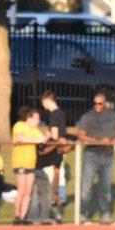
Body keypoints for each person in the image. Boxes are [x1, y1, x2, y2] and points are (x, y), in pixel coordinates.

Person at [75, 92, 115, 224]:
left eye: (100, 103)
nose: (97, 106)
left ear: (105, 103)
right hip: (92, 155)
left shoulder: (112, 116)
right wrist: (98, 140)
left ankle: (105, 215)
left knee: (105, 188)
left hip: (108, 155)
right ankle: (83, 215)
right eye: (95, 103)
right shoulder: (88, 117)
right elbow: (81, 135)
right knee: (86, 187)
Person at [11, 107, 47, 225]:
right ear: (29, 118)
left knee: (28, 191)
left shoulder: (35, 130)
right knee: (21, 190)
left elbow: (42, 140)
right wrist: (35, 140)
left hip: (31, 163)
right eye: (36, 118)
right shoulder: (20, 125)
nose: (38, 121)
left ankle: (23, 216)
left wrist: (45, 137)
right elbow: (19, 139)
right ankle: (17, 215)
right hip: (20, 161)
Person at [39, 91, 69, 222]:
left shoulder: (54, 115)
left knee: (53, 179)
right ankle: (57, 209)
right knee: (57, 177)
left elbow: (55, 136)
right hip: (59, 150)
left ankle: (55, 208)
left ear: (47, 100)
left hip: (55, 150)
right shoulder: (60, 113)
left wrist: (47, 140)